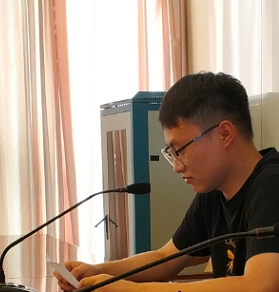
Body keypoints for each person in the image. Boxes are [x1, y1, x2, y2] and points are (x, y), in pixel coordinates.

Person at [55, 72, 279, 291]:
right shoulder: (214, 191)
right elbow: (166, 258)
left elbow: (260, 285)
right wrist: (98, 272)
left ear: (225, 134)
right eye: (171, 154)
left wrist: (132, 290)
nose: (177, 167)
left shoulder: (271, 184)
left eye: (180, 151)